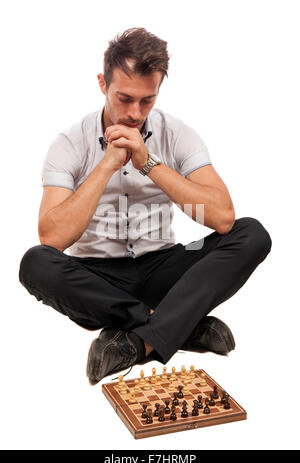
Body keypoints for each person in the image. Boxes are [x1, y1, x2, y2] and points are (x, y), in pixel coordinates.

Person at [18, 27, 272, 385]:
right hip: (97, 280)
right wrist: (108, 163)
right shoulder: (68, 144)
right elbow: (53, 237)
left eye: (147, 101)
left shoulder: (177, 134)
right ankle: (177, 324)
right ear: (102, 85)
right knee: (35, 263)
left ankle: (139, 340)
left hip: (164, 269)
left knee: (252, 234)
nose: (135, 113)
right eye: (124, 98)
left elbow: (222, 218)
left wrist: (148, 163)